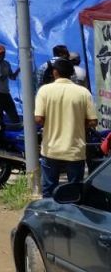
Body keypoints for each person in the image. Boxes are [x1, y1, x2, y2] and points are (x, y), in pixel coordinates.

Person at [34, 58, 98, 198]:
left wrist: (51, 123)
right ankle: (72, 210)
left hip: (51, 149)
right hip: (75, 150)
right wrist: (78, 124)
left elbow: (38, 119)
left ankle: (49, 210)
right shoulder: (83, 92)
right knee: (74, 192)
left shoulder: (44, 91)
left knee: (49, 190)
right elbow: (93, 121)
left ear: (55, 72)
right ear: (71, 73)